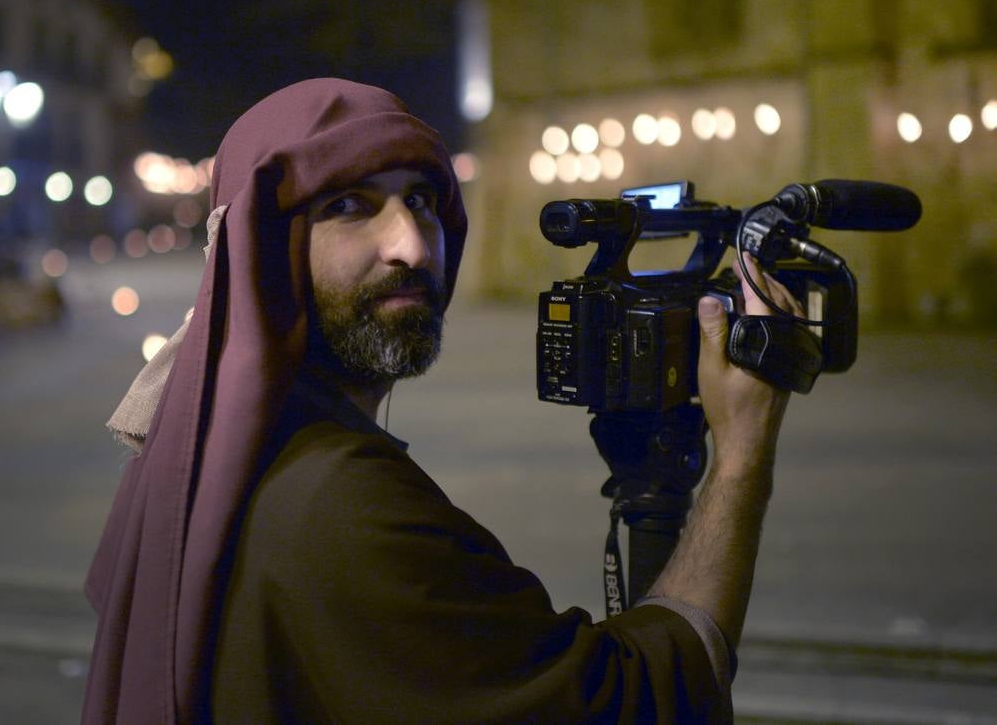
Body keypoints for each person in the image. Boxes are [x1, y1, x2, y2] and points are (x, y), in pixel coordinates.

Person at [82, 78, 795, 723]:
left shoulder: (218, 450)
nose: (413, 247)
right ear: (265, 250)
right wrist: (741, 454)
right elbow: (625, 706)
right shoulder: (341, 499)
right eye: (347, 206)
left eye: (420, 202)